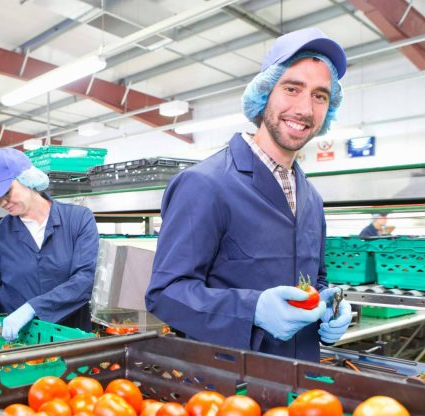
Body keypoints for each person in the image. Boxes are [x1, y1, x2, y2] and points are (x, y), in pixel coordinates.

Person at [145, 28, 352, 362]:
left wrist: (329, 303)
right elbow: (166, 295)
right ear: (265, 92)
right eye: (292, 88)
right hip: (229, 390)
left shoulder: (311, 197)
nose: (305, 108)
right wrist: (252, 310)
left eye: (320, 96)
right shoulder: (205, 185)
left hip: (303, 383)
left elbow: (314, 278)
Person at [0, 148, 98, 341]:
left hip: (72, 340)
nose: (2, 202)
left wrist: (32, 308)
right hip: (20, 344)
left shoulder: (78, 219)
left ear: (27, 179)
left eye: (6, 192)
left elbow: (85, 279)